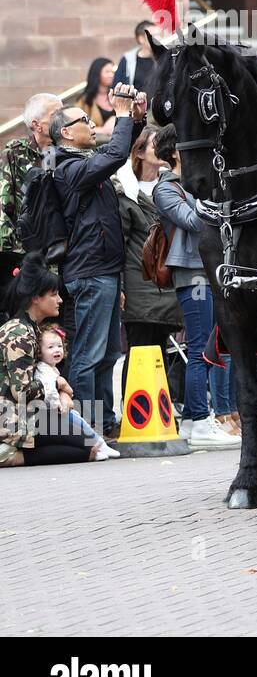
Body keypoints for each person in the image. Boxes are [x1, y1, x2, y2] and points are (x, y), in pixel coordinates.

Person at [49, 85, 145, 437]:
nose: (92, 125)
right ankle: (84, 432)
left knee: (106, 356)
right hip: (89, 274)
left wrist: (134, 120)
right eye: (85, 120)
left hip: (104, 273)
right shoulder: (66, 167)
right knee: (88, 357)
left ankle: (103, 428)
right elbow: (116, 155)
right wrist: (119, 116)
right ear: (65, 133)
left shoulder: (84, 163)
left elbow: (116, 149)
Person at [150, 125, 240, 448]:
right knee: (200, 348)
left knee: (206, 346)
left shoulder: (189, 183)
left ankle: (191, 420)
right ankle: (201, 419)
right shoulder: (166, 188)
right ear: (174, 152)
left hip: (207, 270)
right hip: (192, 273)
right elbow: (192, 221)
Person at [0, 254, 97, 467]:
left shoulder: (32, 329)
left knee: (89, 446)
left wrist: (60, 390)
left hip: (28, 411)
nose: (60, 300)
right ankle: (10, 456)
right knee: (87, 449)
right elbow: (22, 391)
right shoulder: (19, 333)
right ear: (36, 297)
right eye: (54, 295)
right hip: (10, 417)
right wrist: (56, 384)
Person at [117, 126, 185, 409]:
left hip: (166, 282)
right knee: (139, 350)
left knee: (160, 350)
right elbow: (118, 244)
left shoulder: (172, 184)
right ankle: (135, 413)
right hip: (138, 284)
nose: (162, 147)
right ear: (140, 152)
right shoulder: (125, 191)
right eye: (156, 143)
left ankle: (160, 412)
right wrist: (120, 285)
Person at [0, 93, 61, 276]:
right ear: (36, 125)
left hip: (67, 254)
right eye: (56, 115)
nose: (63, 120)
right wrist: (19, 256)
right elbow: (4, 208)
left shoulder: (68, 150)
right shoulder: (14, 154)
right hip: (28, 255)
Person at [36, 324, 117, 460]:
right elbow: (49, 390)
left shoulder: (52, 368)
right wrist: (58, 406)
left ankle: (97, 447)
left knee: (78, 420)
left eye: (59, 346)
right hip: (51, 412)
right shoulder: (43, 369)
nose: (56, 350)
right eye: (50, 347)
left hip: (53, 411)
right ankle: (97, 446)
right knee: (77, 422)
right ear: (39, 351)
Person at [78, 57, 119, 143]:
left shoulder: (116, 96)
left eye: (112, 72)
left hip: (117, 143)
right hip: (96, 144)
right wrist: (103, 130)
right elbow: (78, 127)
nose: (111, 75)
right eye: (107, 72)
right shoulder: (84, 100)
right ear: (97, 74)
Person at [114, 21, 158, 95]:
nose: (158, 39)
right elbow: (117, 88)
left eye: (159, 35)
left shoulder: (163, 59)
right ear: (141, 39)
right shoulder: (127, 60)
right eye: (153, 36)